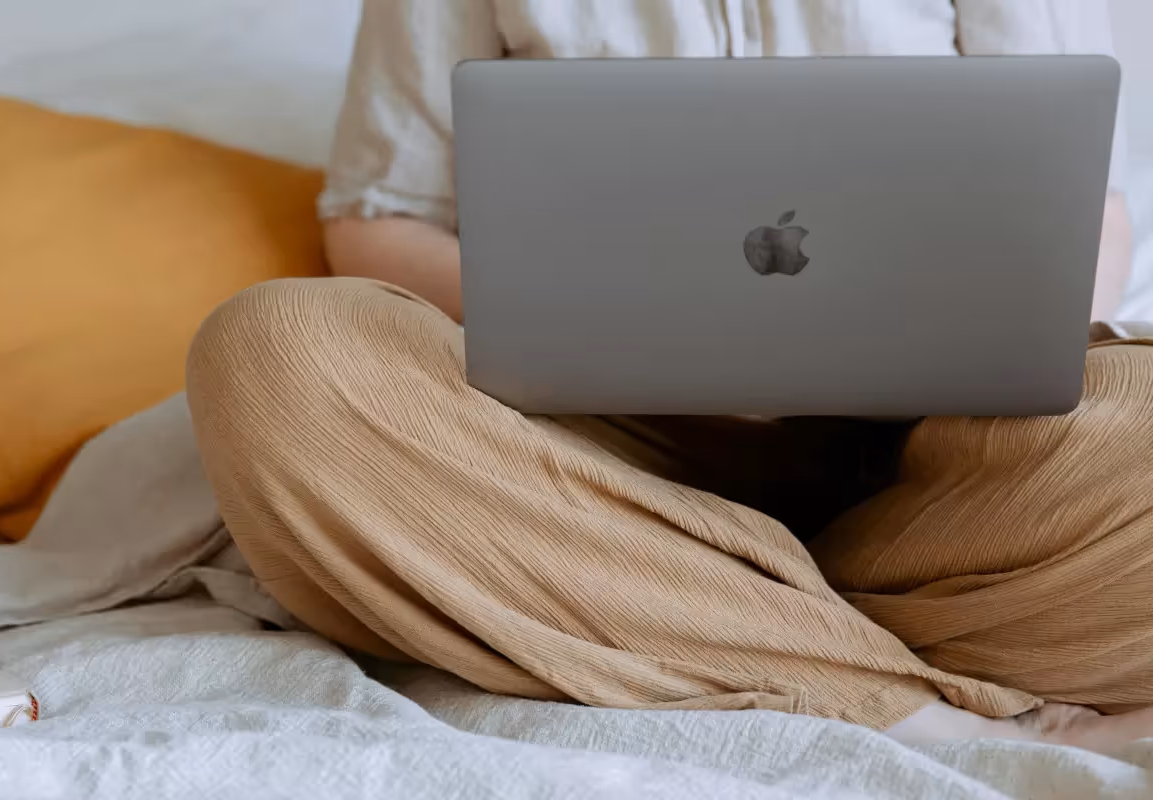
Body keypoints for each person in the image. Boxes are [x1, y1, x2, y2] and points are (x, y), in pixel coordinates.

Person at [186, 0, 1153, 754]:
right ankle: (892, 696)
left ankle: (658, 611)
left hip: (934, 471)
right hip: (586, 452)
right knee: (275, 354)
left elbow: (1083, 209)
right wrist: (603, 311)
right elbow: (377, 222)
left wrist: (974, 338)